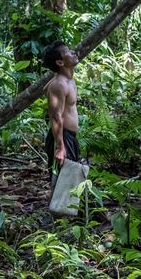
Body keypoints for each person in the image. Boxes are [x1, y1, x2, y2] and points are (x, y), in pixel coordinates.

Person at [42, 40, 80, 185]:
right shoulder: (59, 84)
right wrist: (60, 147)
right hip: (62, 137)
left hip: (69, 137)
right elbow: (55, 116)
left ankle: (60, 208)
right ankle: (54, 209)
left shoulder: (65, 80)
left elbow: (46, 88)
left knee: (68, 182)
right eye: (67, 52)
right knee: (60, 183)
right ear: (60, 62)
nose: (73, 53)